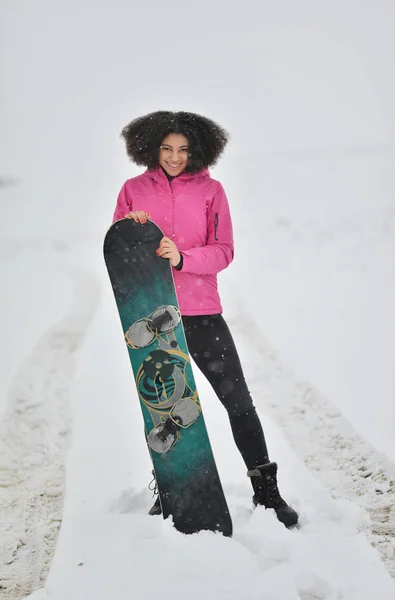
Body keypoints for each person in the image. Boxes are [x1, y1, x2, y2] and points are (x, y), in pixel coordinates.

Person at [112, 111, 298, 528]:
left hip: (200, 315)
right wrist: (132, 227)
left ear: (197, 150)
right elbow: (120, 252)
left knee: (239, 403)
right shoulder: (132, 190)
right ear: (151, 148)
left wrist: (182, 257)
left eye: (183, 150)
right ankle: (171, 487)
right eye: (167, 148)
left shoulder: (212, 190)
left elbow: (224, 251)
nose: (175, 157)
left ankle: (267, 493)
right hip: (152, 315)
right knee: (162, 408)